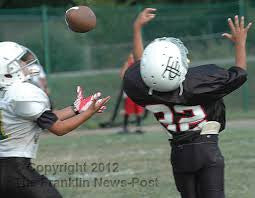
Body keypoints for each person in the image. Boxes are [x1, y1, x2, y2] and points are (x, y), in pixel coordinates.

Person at [123, 8, 252, 198]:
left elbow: (143, 64)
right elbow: (239, 73)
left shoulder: (144, 89)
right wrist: (240, 44)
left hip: (178, 155)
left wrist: (136, 28)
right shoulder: (197, 85)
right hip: (206, 150)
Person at [0, 41, 110, 198]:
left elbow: (44, 118)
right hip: (16, 171)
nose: (24, 64)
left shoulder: (7, 94)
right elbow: (59, 129)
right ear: (8, 70)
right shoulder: (21, 93)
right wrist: (89, 113)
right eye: (19, 62)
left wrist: (75, 109)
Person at [119, 53, 144, 134]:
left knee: (139, 109)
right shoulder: (129, 64)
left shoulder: (141, 64)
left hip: (138, 90)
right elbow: (122, 75)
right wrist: (126, 65)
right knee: (128, 110)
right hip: (129, 90)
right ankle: (125, 127)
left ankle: (139, 127)